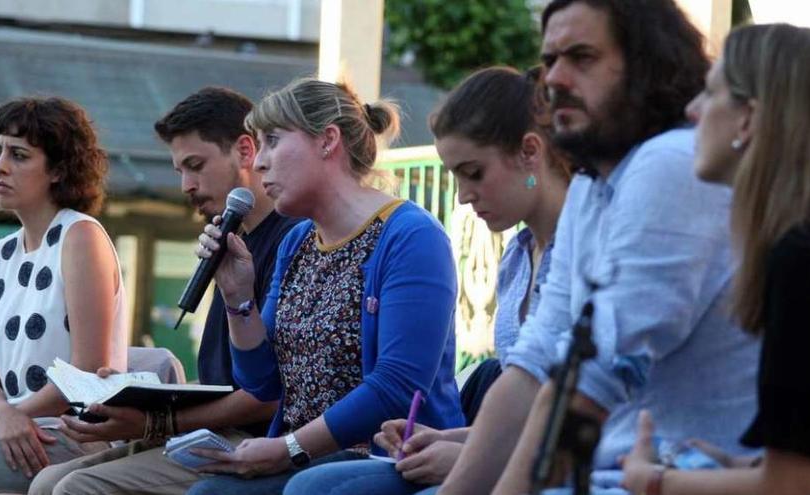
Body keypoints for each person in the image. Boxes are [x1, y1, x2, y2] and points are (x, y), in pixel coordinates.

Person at [438, 1, 761, 494]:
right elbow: (536, 362)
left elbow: (590, 377)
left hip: (688, 477)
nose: (556, 79)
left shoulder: (671, 162)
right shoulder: (592, 182)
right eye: (551, 60)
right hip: (607, 476)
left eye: (582, 58)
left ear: (645, 64)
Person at [282, 66, 572, 495]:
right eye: (454, 175)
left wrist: (467, 457)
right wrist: (446, 440)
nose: (461, 195)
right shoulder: (516, 256)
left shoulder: (584, 250)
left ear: (530, 152)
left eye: (473, 172)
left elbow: (584, 413)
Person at [184, 78, 464, 495]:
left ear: (327, 141)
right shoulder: (297, 241)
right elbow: (263, 383)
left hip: (390, 456)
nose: (259, 163)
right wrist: (237, 296)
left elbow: (396, 386)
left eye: (273, 141)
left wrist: (287, 448)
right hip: (306, 456)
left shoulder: (410, 236)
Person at [29, 86, 300, 495]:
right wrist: (138, 397)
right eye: (179, 172)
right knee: (48, 480)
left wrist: (157, 422)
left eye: (196, 165)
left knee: (75, 488)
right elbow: (224, 378)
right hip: (213, 431)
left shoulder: (289, 240)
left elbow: (267, 395)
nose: (186, 186)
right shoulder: (231, 239)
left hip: (255, 439)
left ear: (246, 151)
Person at [621, 23, 810, 495]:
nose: (692, 113)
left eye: (709, 94)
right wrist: (731, 466)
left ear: (749, 120)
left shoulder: (803, 259)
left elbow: (795, 486)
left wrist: (654, 481)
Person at [0, 96, 128, 494]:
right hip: (16, 425)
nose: (0, 166)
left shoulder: (80, 236)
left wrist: (5, 416)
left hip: (72, 432)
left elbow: (85, 371)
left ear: (59, 170)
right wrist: (0, 414)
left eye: (19, 155)